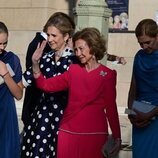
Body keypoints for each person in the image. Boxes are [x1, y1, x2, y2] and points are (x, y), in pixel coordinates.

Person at [32, 27, 121, 158]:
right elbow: (45, 85)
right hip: (68, 133)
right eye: (75, 49)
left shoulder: (107, 75)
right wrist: (35, 63)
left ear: (93, 46)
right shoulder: (73, 70)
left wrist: (117, 137)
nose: (78, 53)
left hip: (95, 135)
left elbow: (111, 109)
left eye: (81, 49)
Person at [20, 12, 79, 158]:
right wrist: (34, 63)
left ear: (66, 36)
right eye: (48, 35)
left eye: (54, 35)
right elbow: (21, 82)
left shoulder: (75, 61)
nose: (50, 39)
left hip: (66, 122)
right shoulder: (44, 58)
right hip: (41, 123)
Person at [128, 19, 158, 158]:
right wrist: (130, 112)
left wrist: (151, 114)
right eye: (141, 43)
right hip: (140, 117)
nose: (144, 46)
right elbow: (133, 88)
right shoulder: (139, 56)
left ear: (157, 36)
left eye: (148, 42)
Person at [0, 21, 23, 157]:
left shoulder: (12, 59)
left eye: (5, 43)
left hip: (6, 115)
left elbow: (19, 94)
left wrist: (6, 74)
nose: (2, 47)